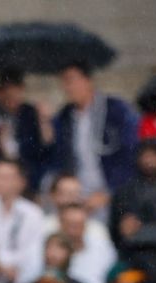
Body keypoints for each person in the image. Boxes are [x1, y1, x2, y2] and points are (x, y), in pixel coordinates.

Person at [51, 61, 139, 210]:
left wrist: (109, 192)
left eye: (71, 80)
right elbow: (61, 157)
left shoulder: (116, 109)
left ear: (88, 81)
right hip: (77, 191)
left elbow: (129, 152)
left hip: (111, 190)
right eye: (64, 82)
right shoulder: (63, 117)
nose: (67, 87)